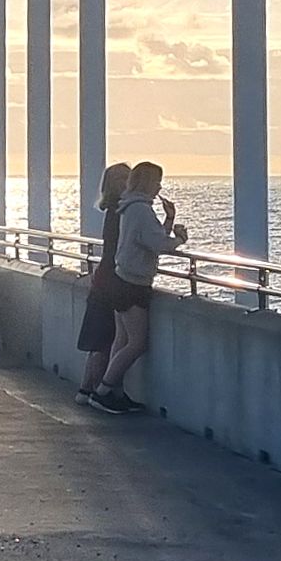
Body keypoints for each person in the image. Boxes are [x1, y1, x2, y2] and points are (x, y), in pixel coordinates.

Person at [88, 161, 186, 413]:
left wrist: (168, 220)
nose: (159, 187)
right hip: (133, 284)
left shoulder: (127, 208)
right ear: (146, 183)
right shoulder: (141, 210)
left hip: (121, 280)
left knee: (121, 340)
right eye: (156, 181)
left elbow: (147, 236)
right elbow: (158, 244)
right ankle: (103, 391)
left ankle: (115, 394)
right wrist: (180, 239)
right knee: (137, 343)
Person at [73, 162, 132, 399]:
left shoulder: (113, 210)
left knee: (102, 340)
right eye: (122, 179)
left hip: (103, 278)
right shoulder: (122, 210)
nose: (127, 182)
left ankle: (89, 390)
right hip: (110, 280)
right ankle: (92, 390)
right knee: (104, 340)